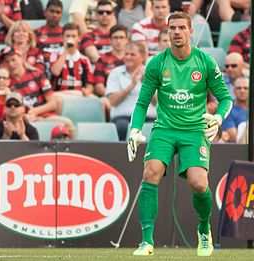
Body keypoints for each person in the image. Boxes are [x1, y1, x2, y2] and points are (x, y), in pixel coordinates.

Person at [127, 12, 233, 257]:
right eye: (172, 28)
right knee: (150, 171)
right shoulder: (157, 63)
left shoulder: (204, 62)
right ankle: (146, 241)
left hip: (195, 130)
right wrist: (134, 128)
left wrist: (217, 118)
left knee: (199, 183)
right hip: (164, 129)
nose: (176, 32)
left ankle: (204, 230)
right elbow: (142, 103)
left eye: (181, 28)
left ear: (190, 31)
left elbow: (225, 98)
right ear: (167, 32)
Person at [106, 41, 156, 141]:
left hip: (148, 117)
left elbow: (157, 102)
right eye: (126, 54)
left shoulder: (151, 73)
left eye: (132, 54)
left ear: (142, 57)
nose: (128, 57)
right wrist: (131, 85)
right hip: (122, 118)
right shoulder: (115, 73)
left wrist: (145, 84)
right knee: (121, 127)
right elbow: (112, 101)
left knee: (157, 128)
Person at [34, 0, 64, 77]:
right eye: (51, 11)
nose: (54, 15)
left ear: (61, 15)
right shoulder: (36, 33)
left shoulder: (66, 33)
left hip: (62, 69)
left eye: (58, 12)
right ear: (45, 12)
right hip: (42, 70)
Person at [221, 77, 248, 143]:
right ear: (233, 90)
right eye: (239, 88)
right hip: (239, 149)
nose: (242, 91)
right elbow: (233, 137)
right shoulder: (228, 109)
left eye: (246, 88)